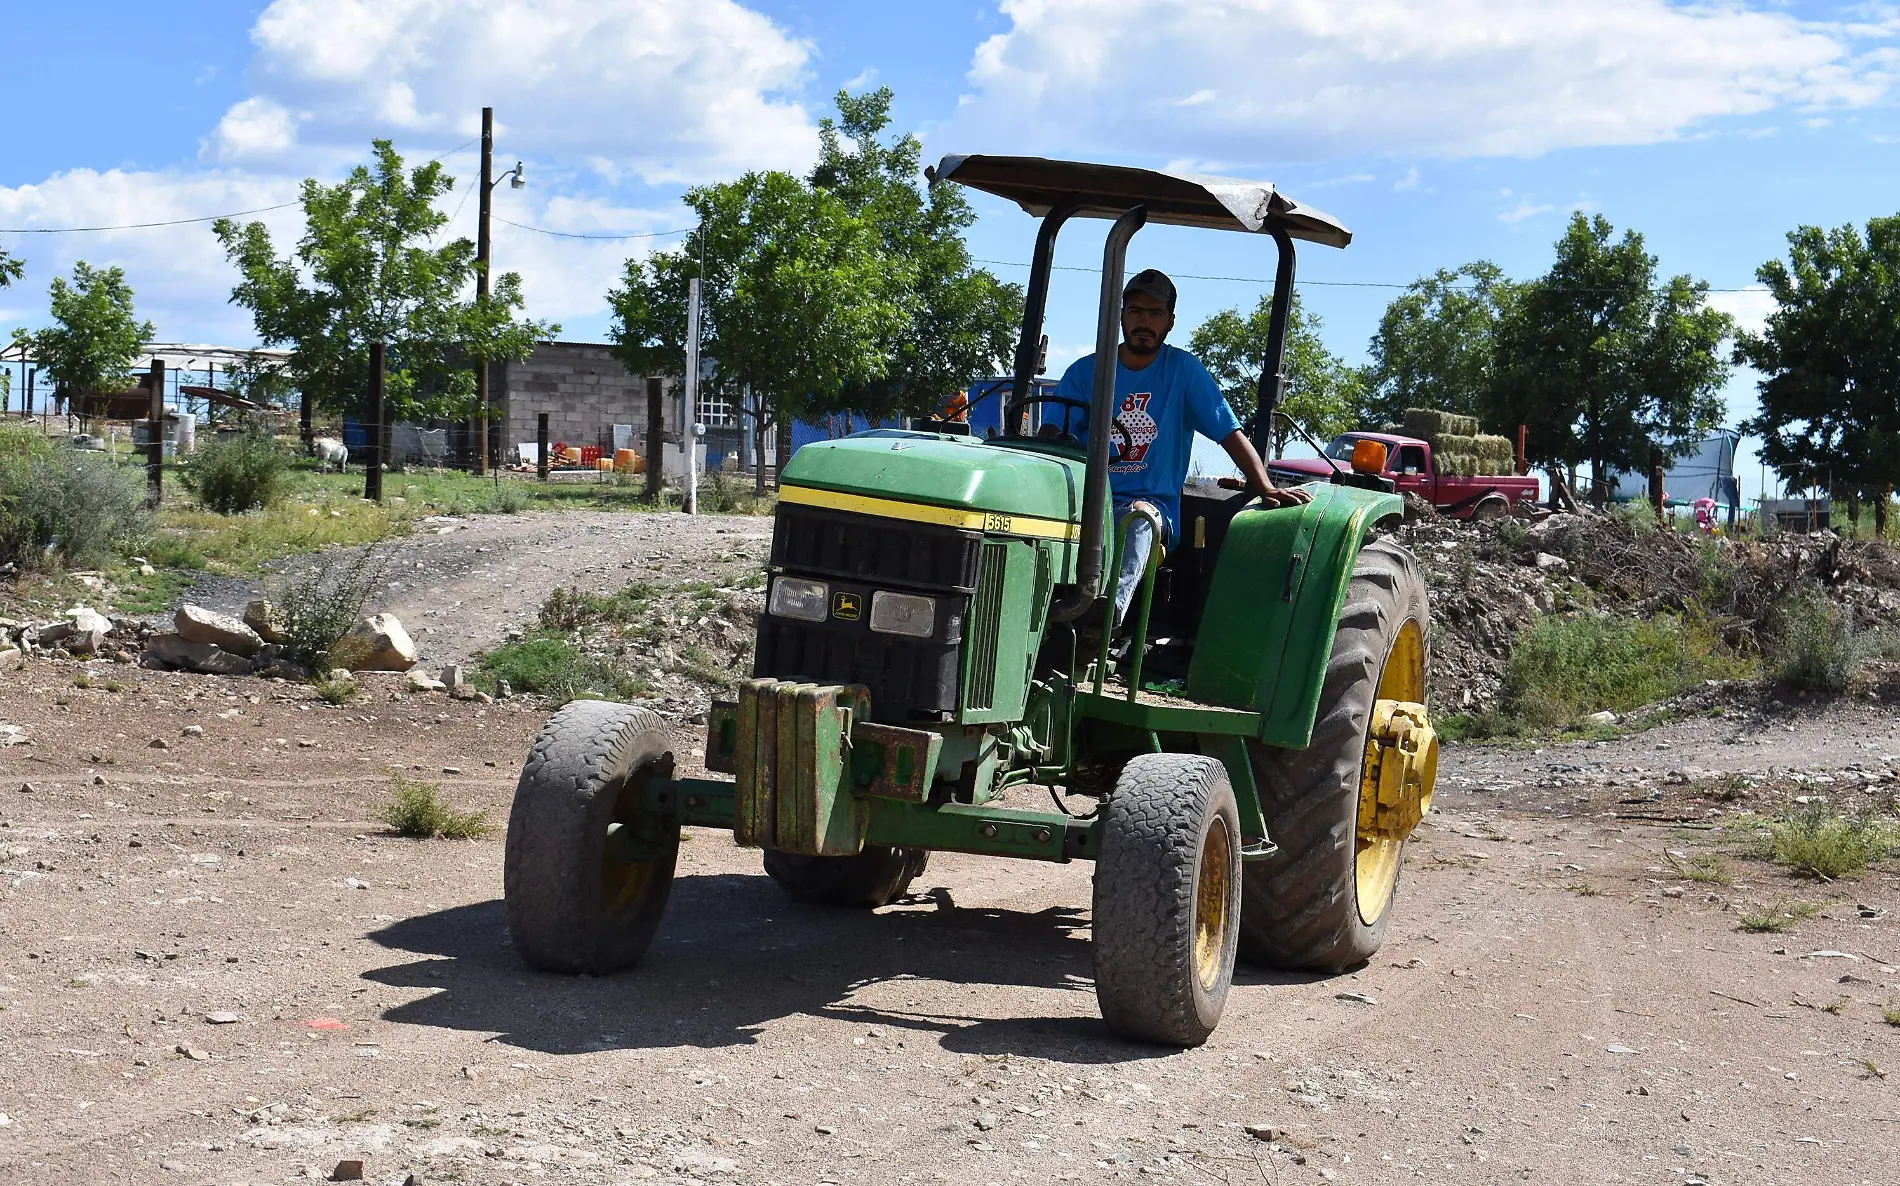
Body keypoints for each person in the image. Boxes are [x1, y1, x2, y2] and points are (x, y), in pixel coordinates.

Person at [1054, 268, 1310, 627]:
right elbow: (1051, 433)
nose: (1145, 321)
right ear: (1121, 315)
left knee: (1138, 519)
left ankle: (1105, 613)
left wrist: (1264, 485)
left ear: (1170, 322)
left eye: (1155, 313)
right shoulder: (1085, 373)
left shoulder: (1183, 371)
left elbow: (1228, 430)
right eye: (1136, 311)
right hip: (1086, 499)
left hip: (1149, 504)